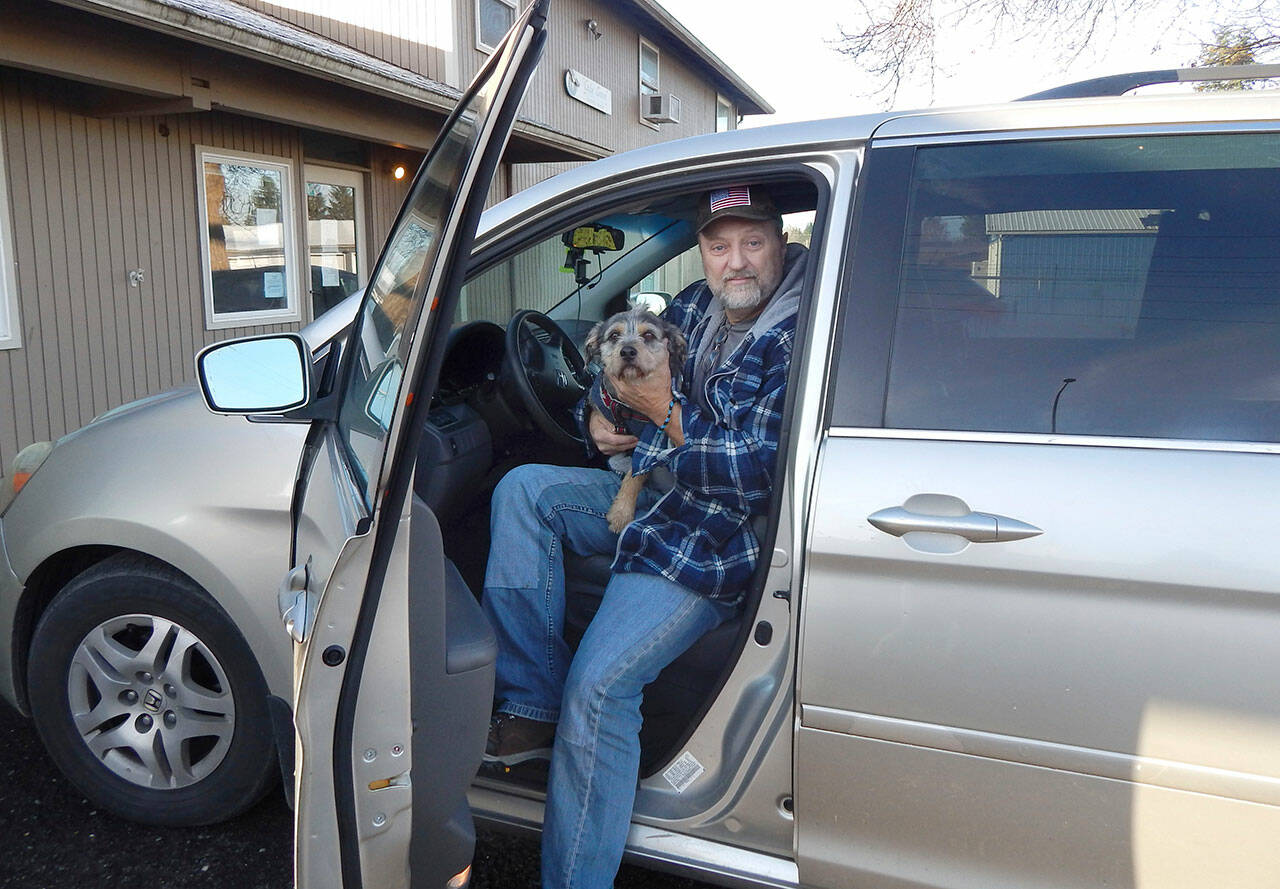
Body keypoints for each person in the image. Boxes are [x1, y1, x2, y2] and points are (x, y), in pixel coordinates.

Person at [481, 185, 809, 889]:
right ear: (703, 251)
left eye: (753, 243)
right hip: (649, 489)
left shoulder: (796, 334)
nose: (736, 262)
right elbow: (612, 381)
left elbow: (756, 475)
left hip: (712, 536)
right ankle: (532, 701)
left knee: (598, 689)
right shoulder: (694, 305)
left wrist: (661, 408)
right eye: (720, 246)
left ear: (780, 243)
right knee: (523, 492)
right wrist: (594, 424)